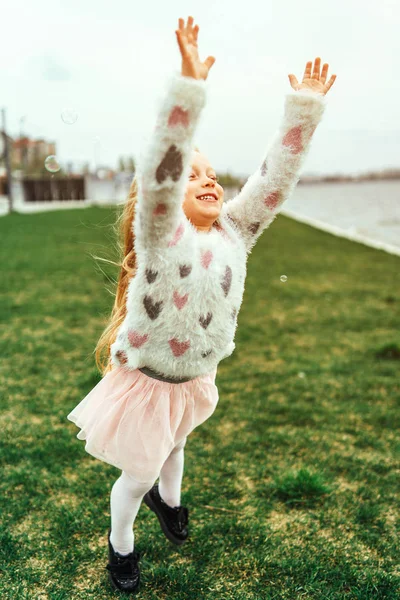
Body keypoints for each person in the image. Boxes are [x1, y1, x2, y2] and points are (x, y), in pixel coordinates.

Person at [67, 15, 336, 595]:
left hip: (194, 376)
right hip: (149, 381)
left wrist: (302, 112)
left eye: (213, 174)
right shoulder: (163, 237)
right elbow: (161, 172)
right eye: (194, 176)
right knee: (137, 475)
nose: (208, 181)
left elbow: (273, 180)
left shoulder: (237, 232)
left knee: (179, 444)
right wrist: (188, 91)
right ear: (165, 198)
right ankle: (121, 547)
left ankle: (173, 504)